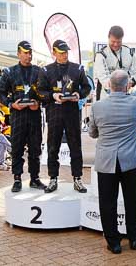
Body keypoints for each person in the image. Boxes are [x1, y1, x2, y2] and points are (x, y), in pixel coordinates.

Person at [88, 70, 136, 254]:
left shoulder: (97, 107)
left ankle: (113, 242)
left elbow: (92, 133)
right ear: (127, 85)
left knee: (107, 202)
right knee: (133, 200)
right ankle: (135, 238)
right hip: (130, 159)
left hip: (107, 160)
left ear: (109, 85)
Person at [38, 39, 91, 193]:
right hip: (54, 113)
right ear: (54, 53)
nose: (64, 55)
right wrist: (53, 95)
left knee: (75, 146)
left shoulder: (77, 68)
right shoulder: (46, 70)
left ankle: (78, 179)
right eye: (61, 53)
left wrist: (78, 94)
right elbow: (40, 92)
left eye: (66, 52)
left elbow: (87, 87)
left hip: (72, 113)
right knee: (52, 147)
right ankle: (53, 178)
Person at [0, 41, 46, 192]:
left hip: (34, 116)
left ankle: (34, 178)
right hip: (17, 116)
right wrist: (11, 104)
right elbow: (0, 92)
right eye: (25, 53)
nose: (28, 56)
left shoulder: (39, 71)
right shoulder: (9, 72)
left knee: (35, 149)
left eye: (30, 53)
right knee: (17, 148)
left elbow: (46, 92)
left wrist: (39, 102)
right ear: (18, 53)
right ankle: (17, 178)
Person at [93, 25, 136, 100]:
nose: (116, 44)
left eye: (118, 42)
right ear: (108, 38)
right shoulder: (101, 55)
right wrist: (116, 88)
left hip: (125, 97)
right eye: (113, 41)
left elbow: (135, 73)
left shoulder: (130, 53)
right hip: (106, 98)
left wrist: (131, 82)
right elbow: (103, 77)